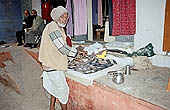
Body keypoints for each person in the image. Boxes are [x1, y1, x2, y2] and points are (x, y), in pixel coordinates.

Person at [38, 6, 86, 110]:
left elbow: (57, 48)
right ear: (56, 17)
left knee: (55, 89)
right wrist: (77, 53)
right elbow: (62, 48)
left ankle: (51, 108)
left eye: (66, 17)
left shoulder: (56, 27)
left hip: (50, 64)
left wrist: (72, 57)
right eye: (62, 17)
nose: (64, 19)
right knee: (63, 92)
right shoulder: (53, 27)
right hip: (53, 66)